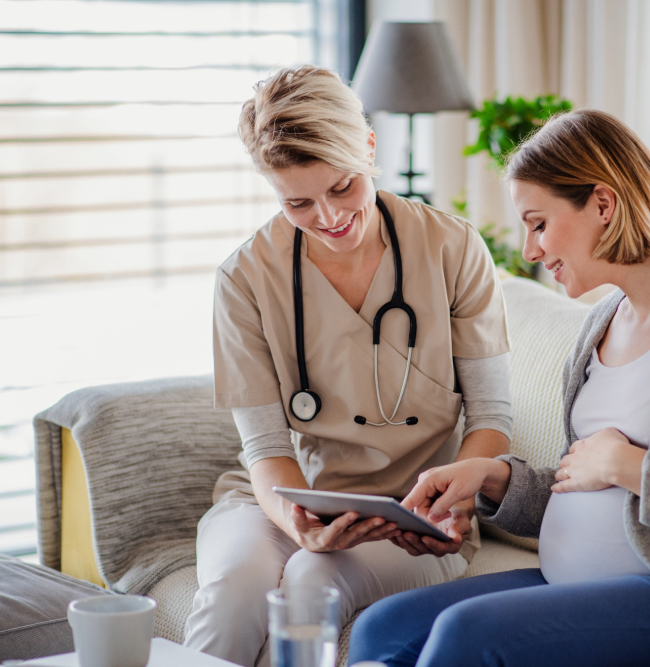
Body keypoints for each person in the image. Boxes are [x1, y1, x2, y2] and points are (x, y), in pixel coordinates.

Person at [348, 109, 650, 667]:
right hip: (575, 585)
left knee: (471, 635)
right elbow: (580, 480)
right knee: (381, 630)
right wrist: (493, 479)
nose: (529, 251)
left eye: (538, 223)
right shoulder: (602, 320)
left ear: (603, 204)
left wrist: (630, 467)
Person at [182, 65, 513, 667]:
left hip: (413, 511)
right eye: (298, 202)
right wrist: (295, 516)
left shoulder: (453, 248)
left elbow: (492, 417)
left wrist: (452, 500)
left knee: (313, 579)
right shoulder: (245, 278)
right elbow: (264, 448)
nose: (329, 217)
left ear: (369, 149)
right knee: (234, 590)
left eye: (342, 188)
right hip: (281, 500)